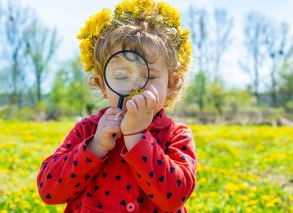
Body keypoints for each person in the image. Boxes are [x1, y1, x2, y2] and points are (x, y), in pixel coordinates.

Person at [37, 0, 197, 212]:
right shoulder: (87, 131)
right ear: (102, 85)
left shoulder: (176, 135)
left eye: (148, 76)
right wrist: (95, 146)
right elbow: (49, 190)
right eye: (121, 76)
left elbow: (174, 198)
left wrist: (137, 137)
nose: (134, 85)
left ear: (170, 85)